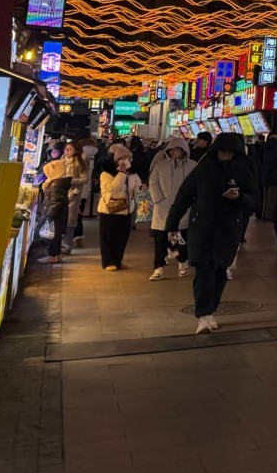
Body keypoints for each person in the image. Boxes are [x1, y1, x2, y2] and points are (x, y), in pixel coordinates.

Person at [165, 133, 258, 334]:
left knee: (220, 271)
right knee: (204, 269)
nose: (226, 154)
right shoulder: (203, 169)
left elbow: (254, 200)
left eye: (230, 152)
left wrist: (240, 197)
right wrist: (171, 225)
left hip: (228, 229)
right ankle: (204, 315)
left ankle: (210, 310)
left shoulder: (243, 171)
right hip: (202, 227)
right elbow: (183, 197)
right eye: (223, 151)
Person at [148, 136, 193, 280]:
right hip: (163, 208)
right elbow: (153, 182)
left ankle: (182, 262)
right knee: (160, 240)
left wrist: (192, 200)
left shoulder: (192, 166)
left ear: (184, 151)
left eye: (177, 150)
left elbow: (198, 184)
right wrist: (158, 199)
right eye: (171, 150)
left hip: (184, 209)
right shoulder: (160, 166)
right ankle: (158, 267)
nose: (174, 153)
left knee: (183, 238)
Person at [98, 144, 140, 271]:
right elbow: (112, 188)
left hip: (126, 210)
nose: (127, 161)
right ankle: (108, 261)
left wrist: (142, 189)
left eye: (129, 158)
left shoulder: (132, 174)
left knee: (122, 238)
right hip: (109, 210)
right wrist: (121, 174)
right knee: (108, 237)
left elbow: (137, 187)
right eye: (123, 158)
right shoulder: (106, 174)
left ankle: (118, 260)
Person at [37, 142, 78, 265]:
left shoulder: (56, 184)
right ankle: (57, 254)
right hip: (58, 217)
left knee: (54, 237)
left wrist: (49, 216)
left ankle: (53, 255)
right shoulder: (60, 181)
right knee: (56, 236)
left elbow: (55, 203)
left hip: (55, 217)